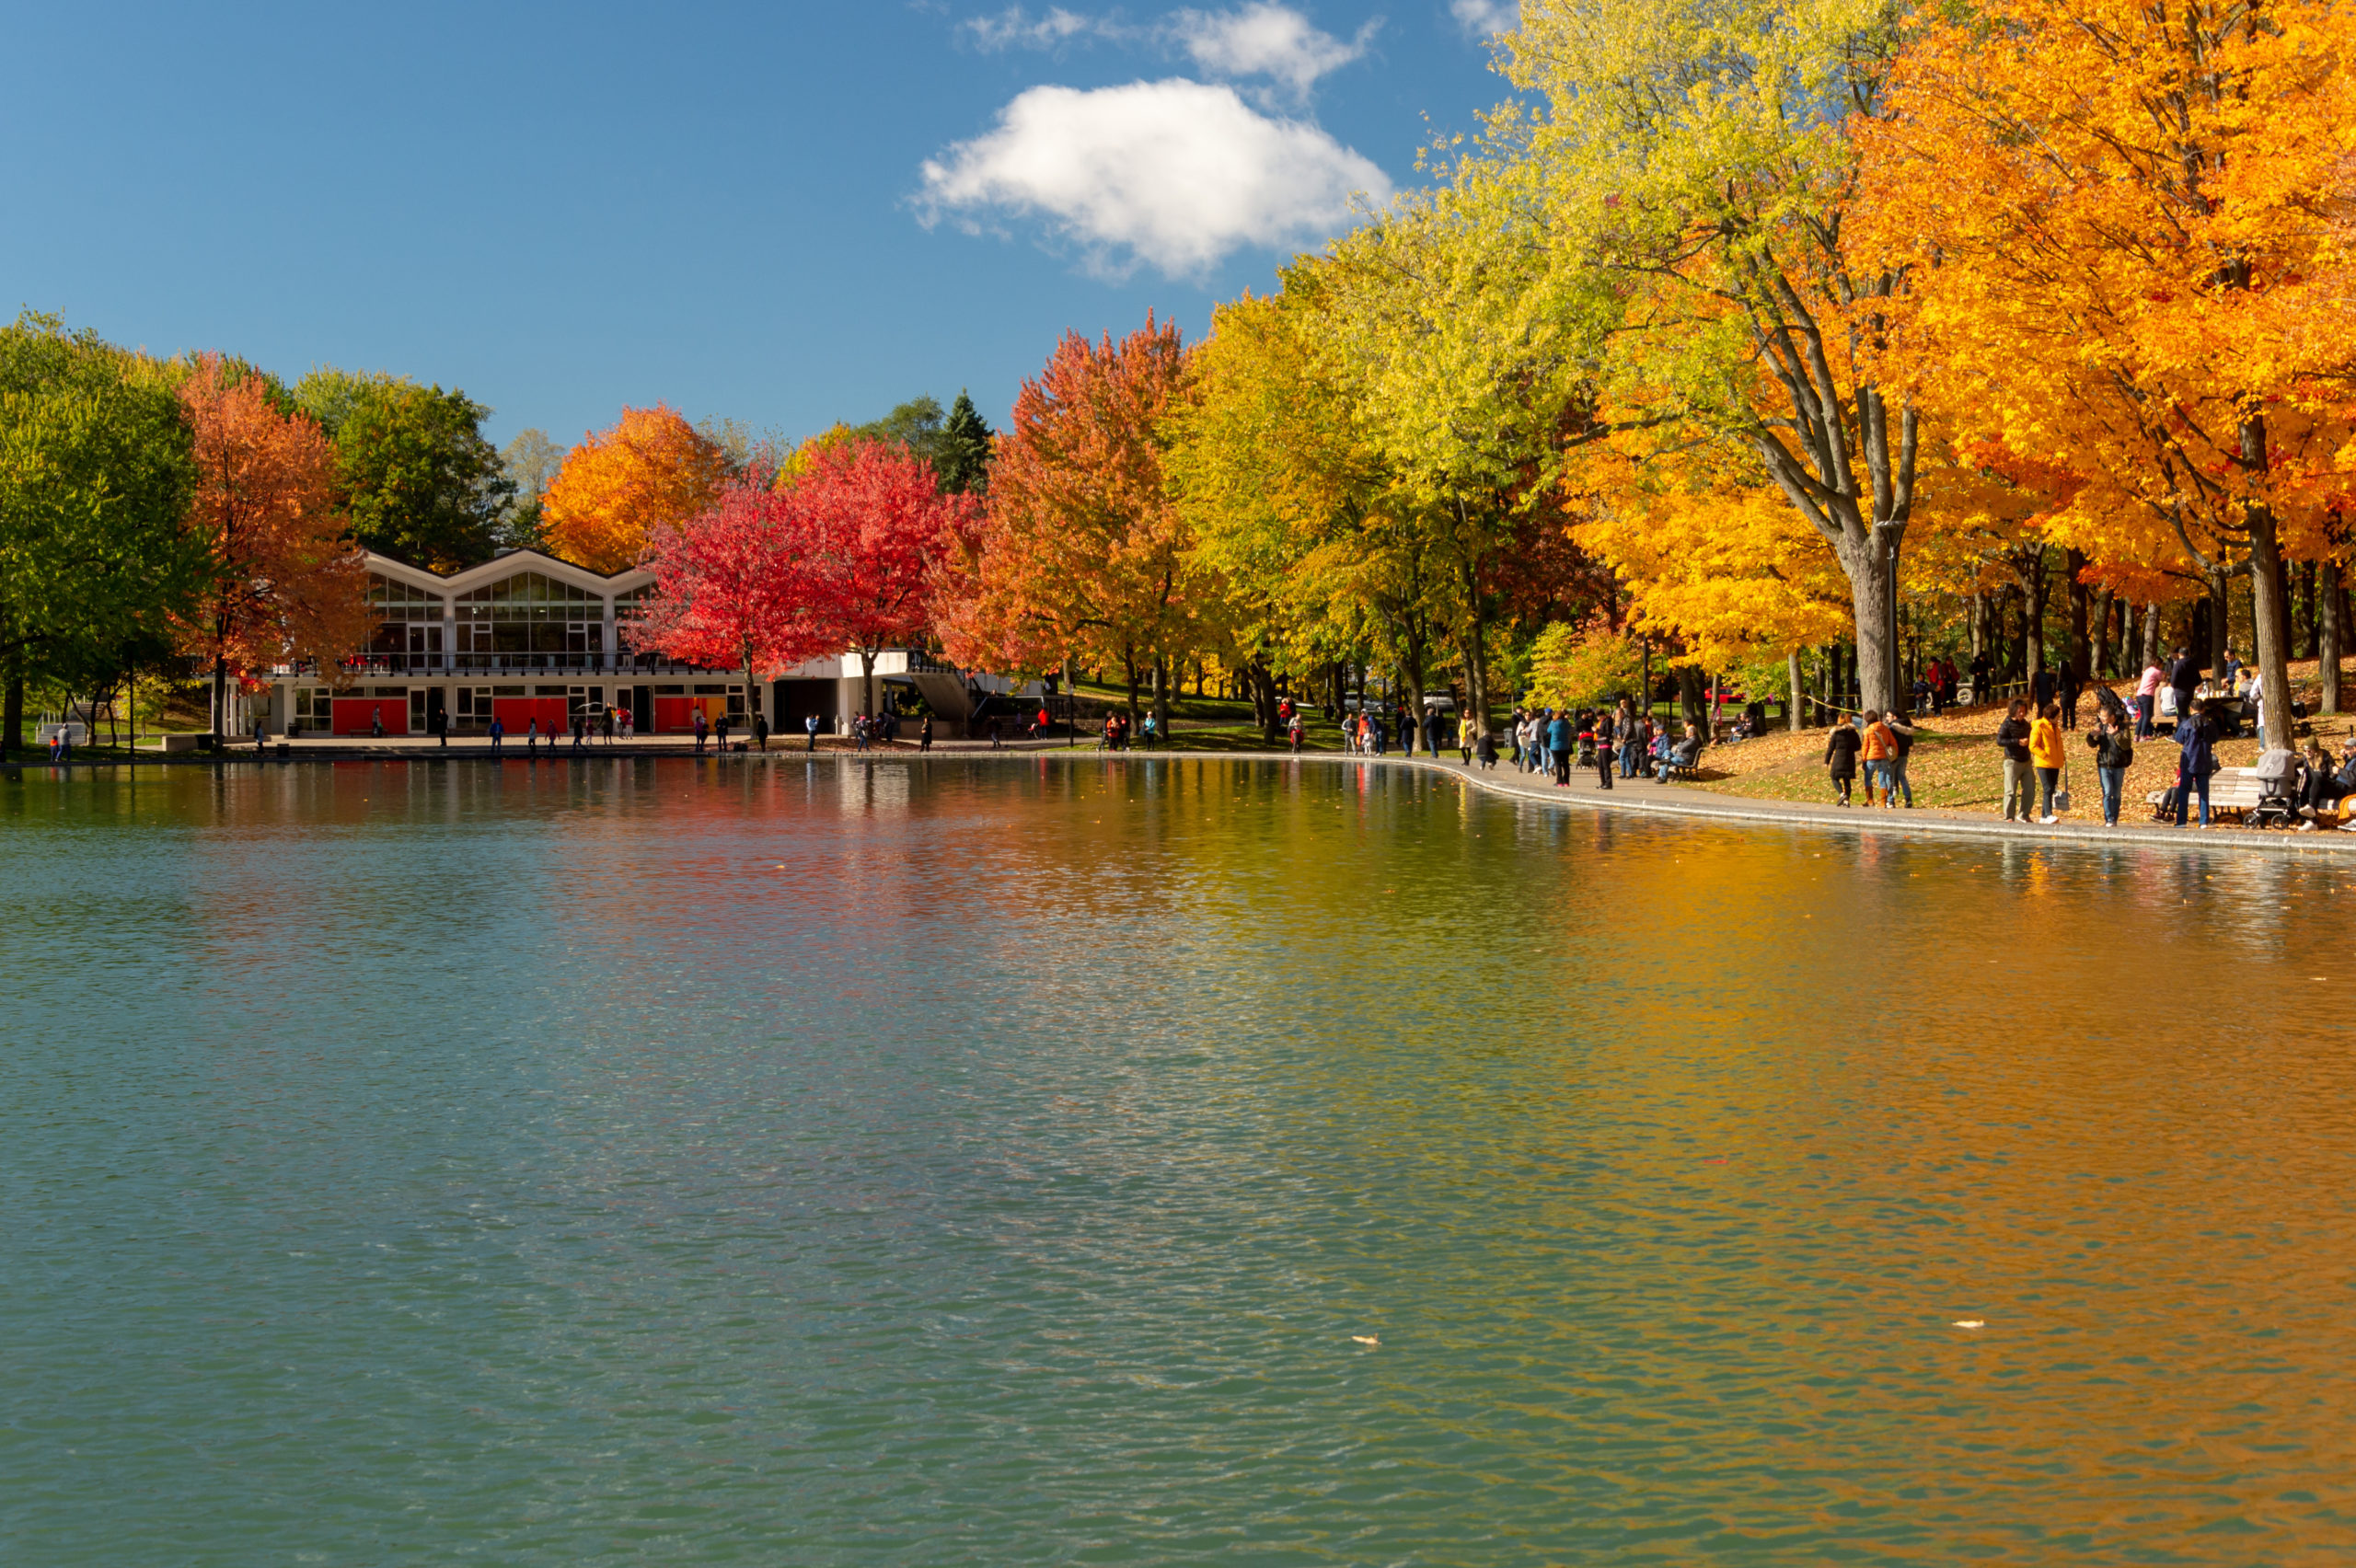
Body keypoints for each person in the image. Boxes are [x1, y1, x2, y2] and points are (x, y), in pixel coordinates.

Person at [2085, 706, 2134, 824]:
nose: (2101, 718)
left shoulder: (2123, 727)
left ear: (2112, 717)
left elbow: (2126, 745)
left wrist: (2116, 734)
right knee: (2107, 792)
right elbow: (2092, 744)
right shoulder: (2100, 726)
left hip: (2118, 764)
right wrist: (2091, 736)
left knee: (2116, 794)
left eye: (2104, 716)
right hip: (2103, 764)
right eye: (2100, 716)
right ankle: (2109, 818)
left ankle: (2114, 818)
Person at [2172, 698, 2216, 827]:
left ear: (2191, 709)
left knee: (2184, 791)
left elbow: (2179, 738)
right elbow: (2215, 738)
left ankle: (2181, 821)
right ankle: (2203, 821)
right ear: (2203, 709)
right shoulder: (2210, 723)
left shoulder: (2186, 724)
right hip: (2204, 760)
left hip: (2189, 761)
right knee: (2203, 792)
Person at [1996, 698, 2034, 821]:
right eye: (2019, 711)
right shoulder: (2007, 723)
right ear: (2014, 711)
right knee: (2011, 791)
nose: (2022, 714)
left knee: (2030, 789)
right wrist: (2017, 742)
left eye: (2024, 711)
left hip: (2026, 761)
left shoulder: (2026, 724)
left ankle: (2024, 814)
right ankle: (2009, 816)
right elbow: (2000, 741)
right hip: (2012, 761)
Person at [2027, 702, 2065, 822]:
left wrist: (2062, 756)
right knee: (2047, 788)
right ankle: (2048, 814)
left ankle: (2044, 816)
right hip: (2043, 763)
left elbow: (2057, 744)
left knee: (2052, 788)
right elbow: (2033, 746)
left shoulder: (2056, 728)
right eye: (2057, 716)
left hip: (2055, 762)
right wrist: (2044, 755)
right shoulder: (2039, 726)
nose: (2059, 718)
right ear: (2051, 716)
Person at [1859, 709, 1896, 807]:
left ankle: (1870, 800)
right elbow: (1893, 742)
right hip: (1884, 757)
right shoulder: (1885, 728)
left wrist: (1863, 759)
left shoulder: (1867, 731)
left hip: (1871, 758)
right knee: (1882, 779)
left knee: (1868, 778)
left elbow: (1865, 746)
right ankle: (1883, 802)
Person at [1824, 714, 1861, 804]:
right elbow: (1858, 746)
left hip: (1839, 758)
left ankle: (1841, 794)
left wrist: (1826, 761)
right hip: (1850, 758)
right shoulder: (1853, 733)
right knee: (1847, 780)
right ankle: (1846, 801)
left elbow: (1831, 748)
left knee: (1834, 777)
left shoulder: (1836, 733)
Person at [2135, 655, 2165, 738]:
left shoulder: (2147, 670)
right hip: (2147, 695)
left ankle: (2136, 734)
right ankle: (2143, 735)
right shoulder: (2157, 671)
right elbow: (2162, 680)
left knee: (2142, 716)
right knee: (2147, 716)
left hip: (2139, 694)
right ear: (2160, 664)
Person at [1546, 709, 1573, 786]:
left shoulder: (1553, 723)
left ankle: (1559, 782)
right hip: (1565, 746)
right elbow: (1570, 729)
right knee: (1566, 764)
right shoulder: (1566, 723)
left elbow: (1548, 731)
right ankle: (1567, 782)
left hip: (1555, 747)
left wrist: (1552, 722)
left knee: (1558, 764)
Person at [1593, 709, 1615, 790]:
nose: (1598, 718)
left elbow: (1607, 733)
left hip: (1606, 744)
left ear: (1602, 715)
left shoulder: (1608, 721)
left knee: (1605, 764)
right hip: (1600, 744)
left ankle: (1608, 783)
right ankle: (1603, 782)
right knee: (1600, 764)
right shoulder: (1601, 722)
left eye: (1598, 716)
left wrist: (1597, 730)